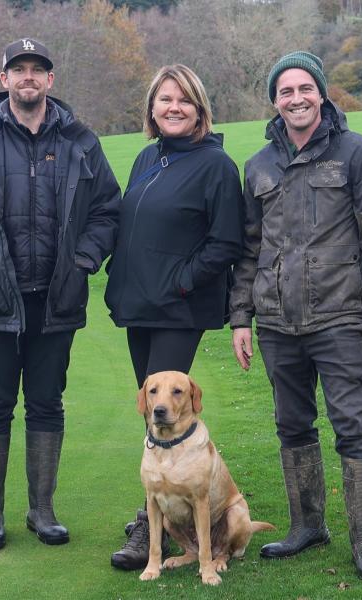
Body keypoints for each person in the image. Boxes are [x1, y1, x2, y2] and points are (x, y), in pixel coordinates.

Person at [0, 38, 120, 551]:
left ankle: (42, 510)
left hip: (55, 301)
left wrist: (82, 264)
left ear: (50, 80)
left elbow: (107, 212)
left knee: (46, 403)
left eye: (38, 70)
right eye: (19, 70)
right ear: (3, 77)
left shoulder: (81, 140)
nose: (28, 77)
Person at [228, 51, 362, 581]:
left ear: (322, 94)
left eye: (306, 88)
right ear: (274, 101)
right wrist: (241, 317)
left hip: (340, 317)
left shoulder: (357, 153)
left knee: (354, 427)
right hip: (277, 322)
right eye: (286, 91)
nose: (297, 98)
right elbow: (249, 248)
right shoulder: (258, 165)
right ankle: (307, 526)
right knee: (292, 423)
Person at [104, 64, 244, 571]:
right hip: (139, 305)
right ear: (152, 108)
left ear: (200, 108)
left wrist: (180, 280)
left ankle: (150, 529)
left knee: (166, 408)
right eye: (165, 99)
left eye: (184, 99)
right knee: (151, 407)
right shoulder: (147, 158)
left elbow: (227, 242)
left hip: (179, 307)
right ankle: (160, 503)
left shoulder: (217, 167)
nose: (173, 107)